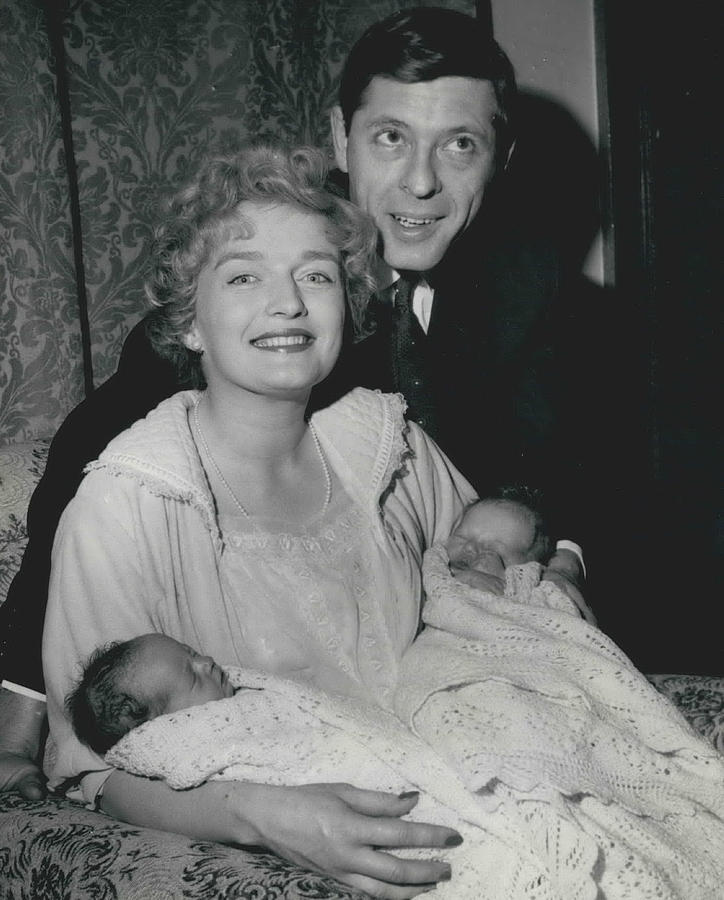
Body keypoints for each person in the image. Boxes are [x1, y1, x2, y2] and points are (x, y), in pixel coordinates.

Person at [1, 6, 591, 812]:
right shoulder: (254, 302)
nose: (421, 182)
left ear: (501, 157)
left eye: (460, 144)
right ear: (341, 137)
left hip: (447, 657)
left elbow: (556, 463)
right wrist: (15, 724)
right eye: (390, 138)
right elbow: (78, 485)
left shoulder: (532, 279)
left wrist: (553, 555)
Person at [41, 141, 479, 898]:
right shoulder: (126, 505)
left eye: (316, 275)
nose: (288, 303)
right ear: (188, 323)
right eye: (244, 276)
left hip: (455, 811)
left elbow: (498, 577)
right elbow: (92, 775)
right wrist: (266, 817)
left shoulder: (392, 447)